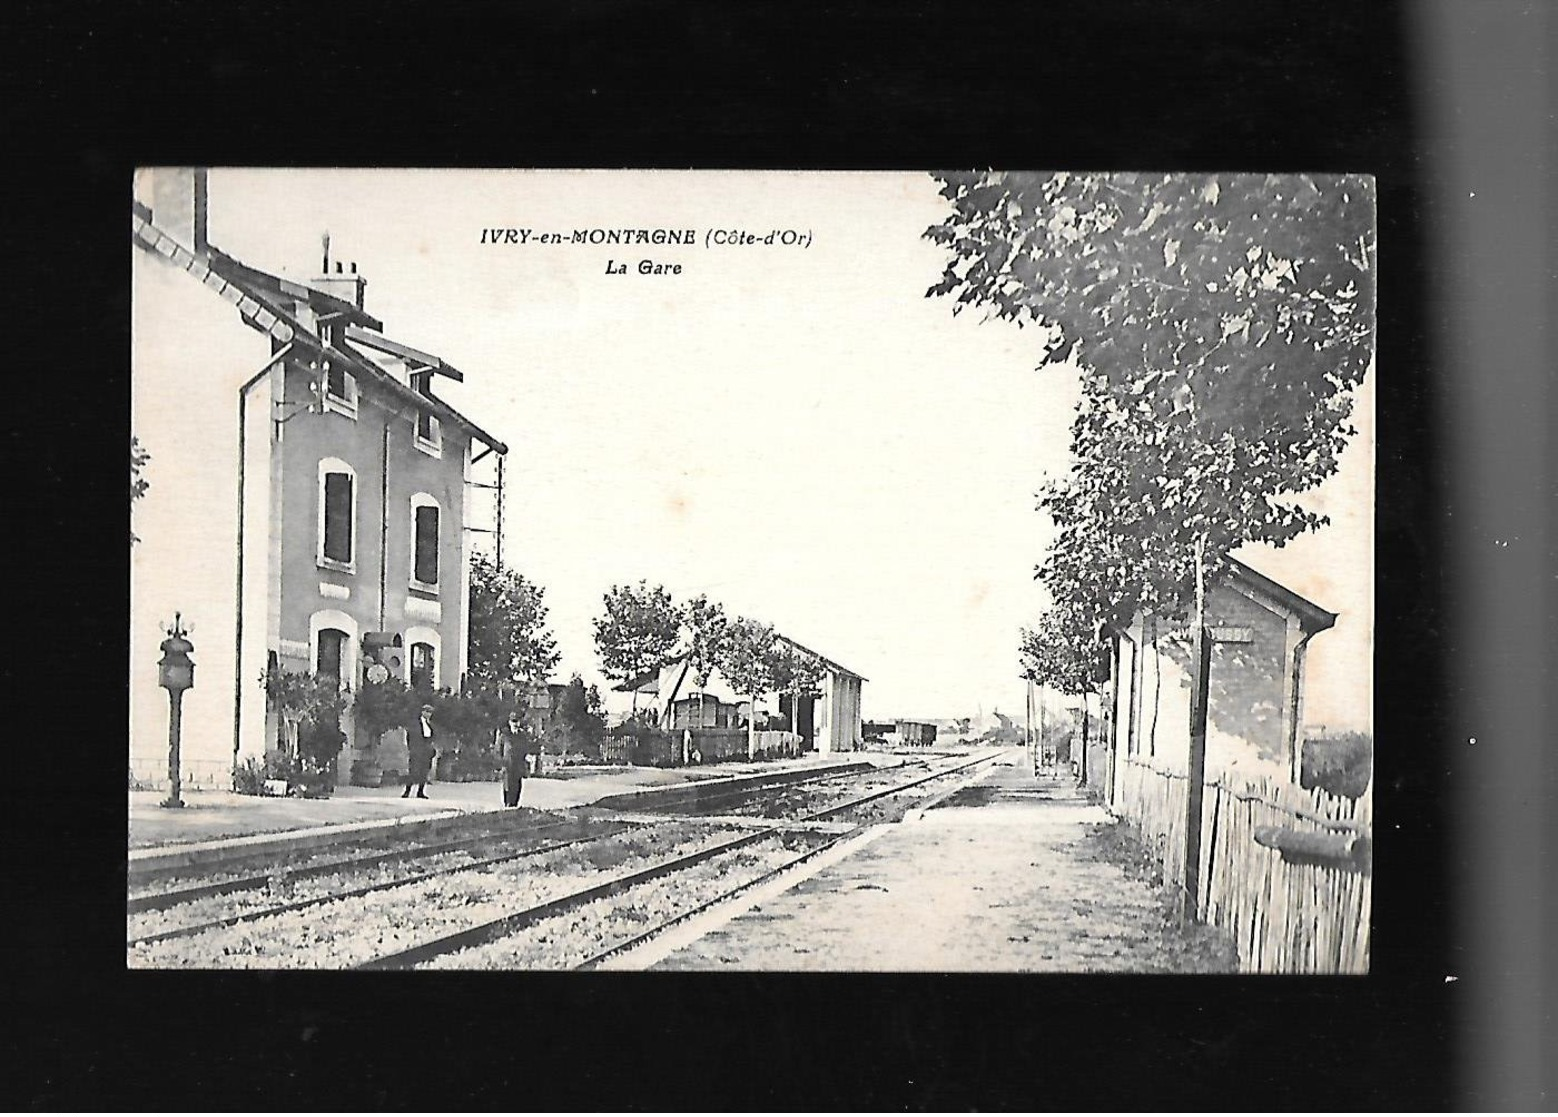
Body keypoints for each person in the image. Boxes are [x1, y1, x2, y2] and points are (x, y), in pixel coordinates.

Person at [495, 710, 531, 808]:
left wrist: (526, 762)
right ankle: (508, 808)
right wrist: (501, 765)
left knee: (517, 789)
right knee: (508, 790)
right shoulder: (504, 736)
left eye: (517, 721)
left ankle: (515, 808)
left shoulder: (522, 736)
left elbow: (525, 750)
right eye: (513, 721)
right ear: (510, 722)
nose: (515, 723)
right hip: (508, 767)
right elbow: (498, 751)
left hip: (518, 767)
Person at [404, 703, 436, 799]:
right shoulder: (415, 724)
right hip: (417, 749)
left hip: (426, 750)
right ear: (422, 712)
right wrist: (412, 748)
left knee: (424, 771)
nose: (428, 714)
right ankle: (407, 791)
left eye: (430, 712)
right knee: (414, 770)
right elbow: (410, 736)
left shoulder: (429, 724)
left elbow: (431, 737)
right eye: (427, 711)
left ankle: (420, 791)